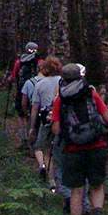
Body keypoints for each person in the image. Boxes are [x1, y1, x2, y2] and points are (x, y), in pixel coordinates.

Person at [51, 63, 108, 215]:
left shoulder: (60, 99)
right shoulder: (91, 93)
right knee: (97, 185)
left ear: (63, 78)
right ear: (80, 76)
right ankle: (97, 213)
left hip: (73, 150)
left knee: (76, 191)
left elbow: (56, 130)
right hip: (97, 145)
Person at [29, 56, 63, 185]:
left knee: (40, 147)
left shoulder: (40, 84)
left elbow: (35, 107)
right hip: (61, 120)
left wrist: (32, 127)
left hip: (46, 119)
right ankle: (62, 179)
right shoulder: (63, 82)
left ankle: (47, 172)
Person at [4, 42, 40, 143]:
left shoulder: (19, 61)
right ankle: (35, 137)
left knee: (21, 113)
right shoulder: (40, 61)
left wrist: (9, 80)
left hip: (22, 90)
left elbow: (14, 76)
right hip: (37, 90)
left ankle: (24, 137)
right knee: (36, 112)